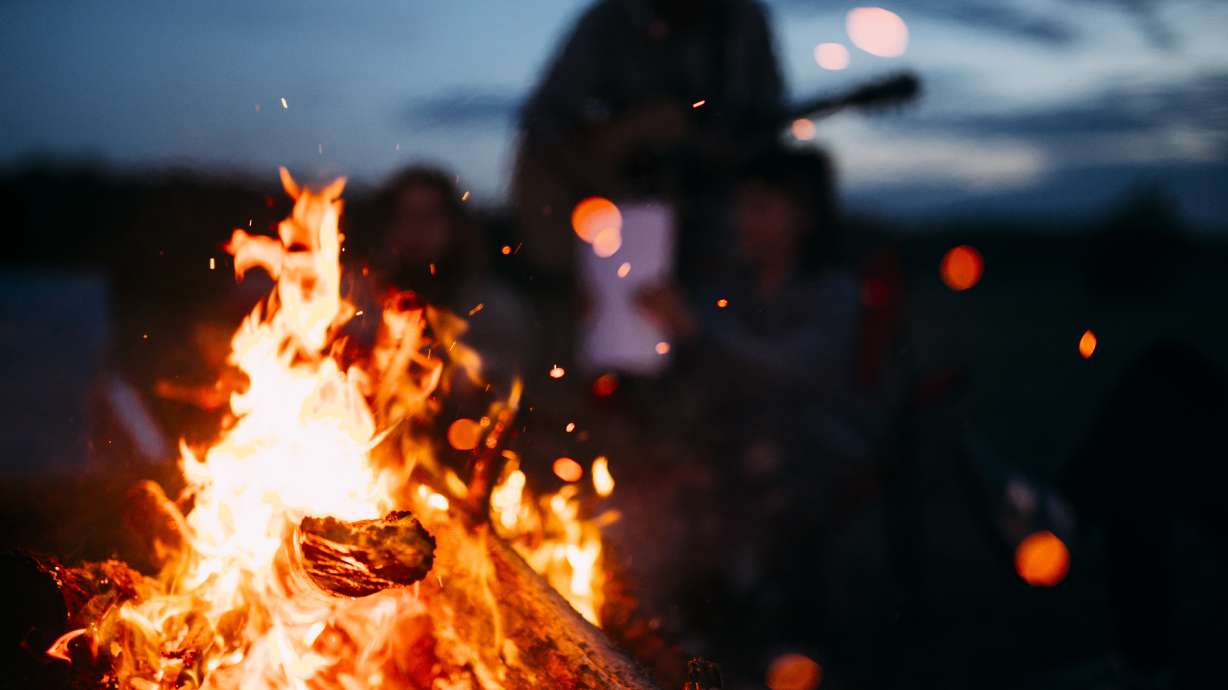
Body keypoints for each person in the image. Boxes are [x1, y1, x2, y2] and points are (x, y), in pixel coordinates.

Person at [511, 0, 786, 364]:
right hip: (619, 219)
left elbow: (766, 126)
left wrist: (701, 142)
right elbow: (543, 123)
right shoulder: (609, 21)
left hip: (714, 214)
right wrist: (625, 141)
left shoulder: (742, 22)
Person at [366, 166, 535, 387]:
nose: (418, 229)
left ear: (454, 225)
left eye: (429, 216)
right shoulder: (357, 304)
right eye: (406, 215)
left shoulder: (492, 307)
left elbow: (506, 385)